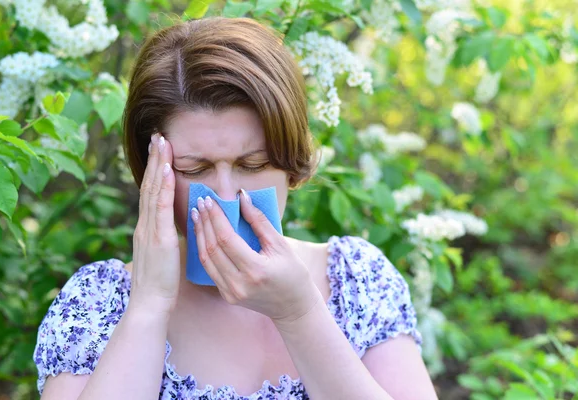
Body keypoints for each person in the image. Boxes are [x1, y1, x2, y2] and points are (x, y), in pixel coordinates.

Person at [33, 16, 438, 400]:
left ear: (292, 161)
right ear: (153, 174)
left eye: (253, 164)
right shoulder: (98, 301)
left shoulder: (357, 281)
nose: (225, 196)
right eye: (196, 168)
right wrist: (149, 305)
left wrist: (300, 313)